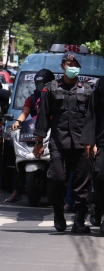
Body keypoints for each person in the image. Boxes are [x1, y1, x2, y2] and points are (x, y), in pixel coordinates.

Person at [34, 51, 92, 233]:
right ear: (62, 67)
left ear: (79, 68)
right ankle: (58, 214)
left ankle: (79, 221)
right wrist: (39, 141)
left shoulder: (88, 90)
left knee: (82, 185)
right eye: (68, 64)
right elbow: (43, 116)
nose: (71, 67)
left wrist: (94, 141)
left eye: (74, 65)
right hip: (58, 142)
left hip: (82, 144)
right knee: (56, 179)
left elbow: (93, 118)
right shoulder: (51, 88)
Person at [6, 68, 54, 202]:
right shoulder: (32, 98)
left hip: (52, 132)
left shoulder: (56, 96)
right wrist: (17, 122)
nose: (41, 87)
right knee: (20, 158)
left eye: (44, 84)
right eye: (39, 84)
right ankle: (16, 191)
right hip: (34, 132)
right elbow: (25, 113)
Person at [80, 77, 104, 234]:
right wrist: (90, 140)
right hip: (102, 141)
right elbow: (92, 113)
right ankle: (98, 208)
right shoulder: (101, 85)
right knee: (101, 176)